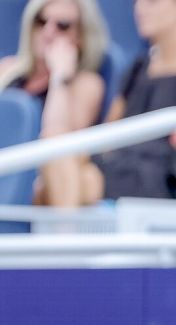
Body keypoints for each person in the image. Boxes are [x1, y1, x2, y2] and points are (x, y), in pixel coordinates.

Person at [38, 0, 176, 205]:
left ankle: (64, 232)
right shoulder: (138, 68)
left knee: (61, 186)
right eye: (138, 2)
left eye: (152, 2)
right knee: (53, 151)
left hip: (163, 174)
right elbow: (109, 132)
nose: (140, 9)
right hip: (121, 164)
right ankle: (66, 231)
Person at [0, 0, 108, 207]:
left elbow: (60, 146)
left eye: (63, 25)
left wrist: (59, 79)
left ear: (80, 36)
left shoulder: (85, 84)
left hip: (37, 182)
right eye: (41, 21)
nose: (49, 31)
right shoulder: (6, 70)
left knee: (86, 177)